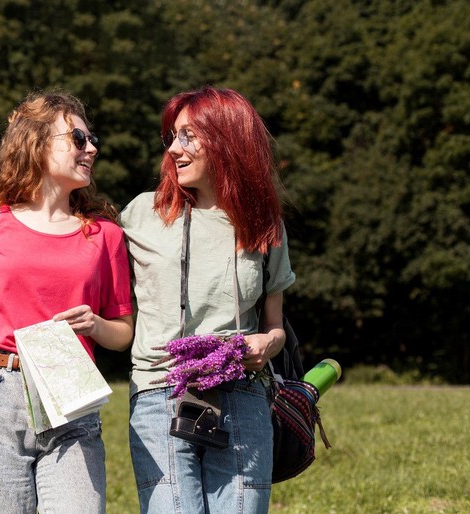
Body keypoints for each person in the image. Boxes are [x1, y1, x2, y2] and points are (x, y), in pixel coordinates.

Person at [0, 91, 134, 514]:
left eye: (92, 139)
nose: (92, 148)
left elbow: (122, 333)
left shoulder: (105, 235)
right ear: (35, 143)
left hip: (71, 398)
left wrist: (95, 324)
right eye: (78, 137)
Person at [120, 86, 295, 514]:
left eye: (188, 136)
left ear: (227, 139)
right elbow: (74, 268)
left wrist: (265, 344)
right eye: (173, 137)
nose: (175, 149)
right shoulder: (142, 214)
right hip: (159, 394)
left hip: (242, 394)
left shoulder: (263, 225)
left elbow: (275, 327)